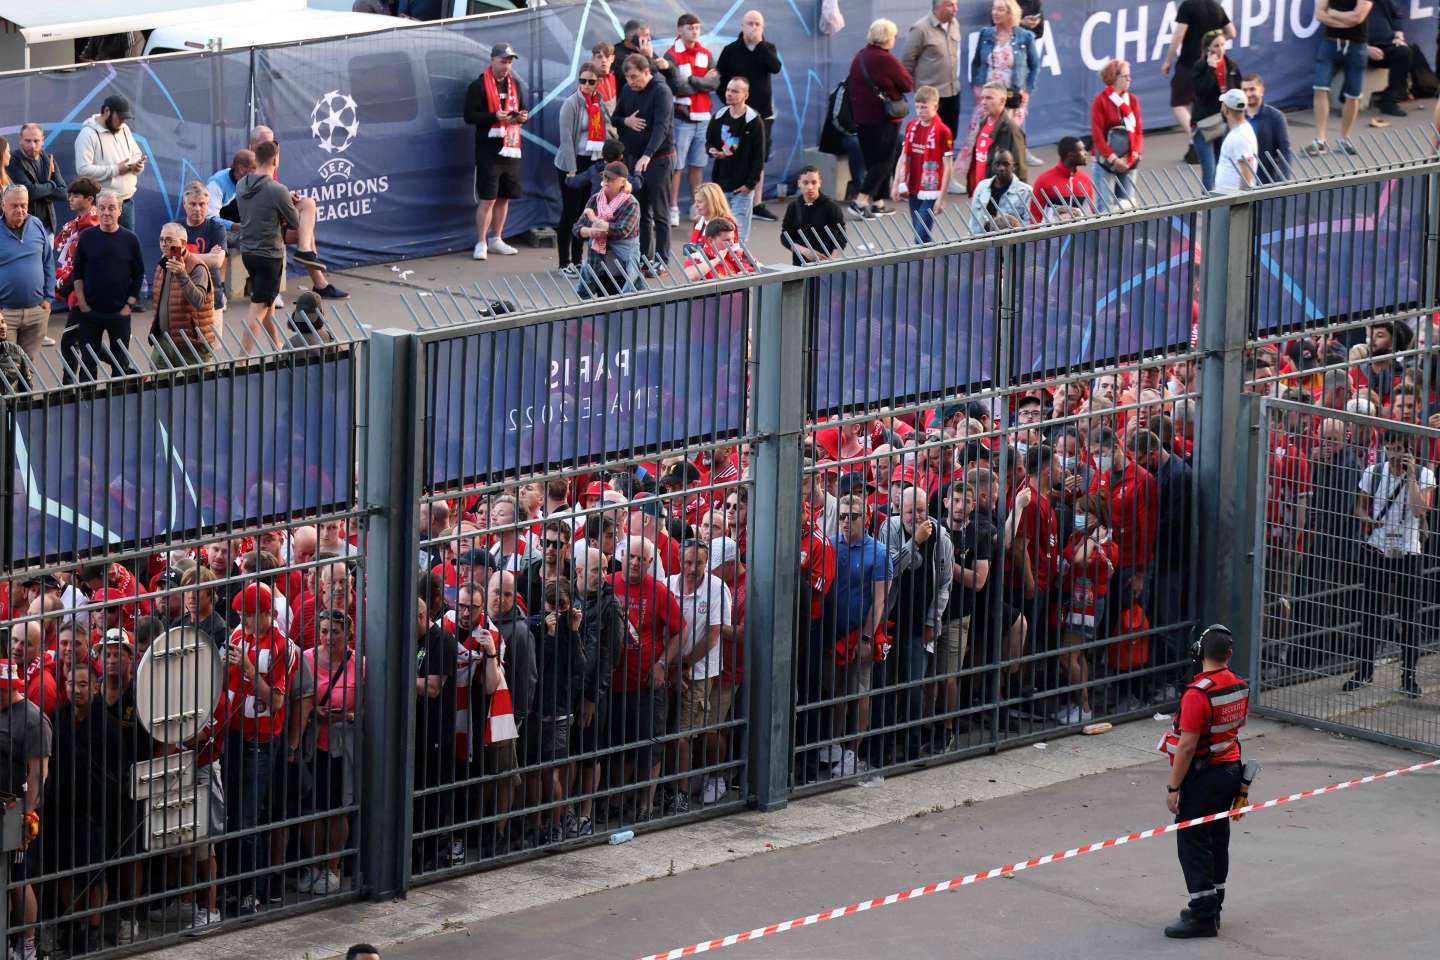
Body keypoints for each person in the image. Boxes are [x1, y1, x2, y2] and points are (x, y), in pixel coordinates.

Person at [1160, 624, 1249, 938]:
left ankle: (1201, 916)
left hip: (1204, 775)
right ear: (1229, 654)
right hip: (1231, 770)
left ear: (1199, 653)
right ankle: (1214, 907)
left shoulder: (1198, 694)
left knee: (1193, 841)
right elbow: (1239, 723)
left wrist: (1173, 787)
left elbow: (1186, 746)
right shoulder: (1238, 685)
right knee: (1216, 838)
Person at [1345, 431, 1434, 697]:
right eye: (1390, 449)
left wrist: (1410, 478)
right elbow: (1359, 508)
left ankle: (1409, 676)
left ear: (1409, 452)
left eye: (1399, 450)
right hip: (1378, 548)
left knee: (1409, 615)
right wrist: (1368, 520)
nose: (1394, 455)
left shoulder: (1424, 475)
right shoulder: (1374, 472)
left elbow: (1421, 510)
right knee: (1370, 612)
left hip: (1408, 552)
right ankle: (1364, 670)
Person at [301, 609, 363, 895]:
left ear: (347, 633)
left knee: (339, 808)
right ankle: (314, 866)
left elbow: (368, 707)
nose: (328, 637)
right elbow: (298, 699)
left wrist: (346, 717)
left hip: (344, 746)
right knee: (312, 809)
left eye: (334, 632)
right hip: (313, 744)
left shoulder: (358, 664)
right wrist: (315, 712)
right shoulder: (307, 658)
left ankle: (333, 867)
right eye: (324, 631)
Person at [0, 658, 51, 960]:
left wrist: (28, 816)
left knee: (18, 879)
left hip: (16, 809)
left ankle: (28, 944)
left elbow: (37, 774)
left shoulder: (33, 719)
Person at [232, 140, 301, 353]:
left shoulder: (241, 184)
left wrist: (283, 201)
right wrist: (289, 202)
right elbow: (295, 222)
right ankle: (241, 360)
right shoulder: (277, 189)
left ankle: (277, 345)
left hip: (248, 253)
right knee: (258, 309)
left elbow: (259, 208)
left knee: (267, 304)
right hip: (269, 256)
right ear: (275, 160)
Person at [67, 190, 144, 381]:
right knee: (88, 366)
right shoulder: (86, 238)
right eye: (102, 208)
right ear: (96, 210)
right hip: (90, 314)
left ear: (120, 210)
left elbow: (138, 274)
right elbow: (78, 275)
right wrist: (83, 305)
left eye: (111, 208)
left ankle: (119, 404)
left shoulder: (131, 239)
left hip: (120, 314)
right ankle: (87, 404)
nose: (106, 212)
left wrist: (129, 305)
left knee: (120, 366)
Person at [958, 1, 1040, 180]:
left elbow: (1034, 66)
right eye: (994, 9)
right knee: (976, 136)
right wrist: (977, 88)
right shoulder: (986, 34)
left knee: (1007, 139)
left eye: (1000, 9)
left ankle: (1009, 178)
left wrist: (1027, 91)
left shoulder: (1025, 36)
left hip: (1012, 97)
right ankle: (970, 177)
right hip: (987, 97)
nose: (995, 13)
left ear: (1010, 13)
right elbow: (977, 63)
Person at [715, 11, 783, 221]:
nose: (753, 27)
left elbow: (776, 67)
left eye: (758, 24)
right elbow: (720, 79)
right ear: (742, 26)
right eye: (750, 24)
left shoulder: (767, 48)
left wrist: (760, 44)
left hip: (762, 115)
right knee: (731, 153)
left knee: (758, 157)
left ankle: (757, 203)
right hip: (736, 114)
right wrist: (729, 103)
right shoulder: (730, 50)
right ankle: (726, 203)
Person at [464, 44, 529, 261]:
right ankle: (481, 242)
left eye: (510, 62)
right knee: (488, 199)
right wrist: (494, 116)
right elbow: (469, 116)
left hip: (510, 147)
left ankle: (497, 239)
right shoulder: (478, 85)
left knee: (504, 197)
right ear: (492, 60)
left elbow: (522, 108)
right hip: (488, 150)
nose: (506, 66)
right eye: (503, 61)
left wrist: (521, 117)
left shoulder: (515, 85)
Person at [847, 20, 914, 219]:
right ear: (887, 38)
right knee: (885, 159)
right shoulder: (886, 59)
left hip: (861, 118)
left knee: (872, 160)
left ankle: (877, 202)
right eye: (893, 35)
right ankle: (860, 200)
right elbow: (907, 84)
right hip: (883, 118)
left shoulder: (859, 57)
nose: (895, 39)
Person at [616, 54, 676, 267]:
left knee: (660, 213)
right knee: (641, 213)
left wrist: (647, 155)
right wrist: (626, 121)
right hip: (635, 159)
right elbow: (615, 117)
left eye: (635, 77)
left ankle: (662, 260)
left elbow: (662, 127)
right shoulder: (627, 90)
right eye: (628, 78)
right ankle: (644, 258)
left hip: (659, 160)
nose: (631, 82)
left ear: (647, 72)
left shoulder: (661, 91)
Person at [555, 63, 615, 272]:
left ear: (598, 82)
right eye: (583, 80)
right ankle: (564, 262)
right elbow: (566, 141)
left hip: (593, 163)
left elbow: (607, 131)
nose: (587, 85)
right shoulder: (571, 104)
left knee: (586, 212)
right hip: (571, 163)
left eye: (591, 81)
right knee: (570, 213)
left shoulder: (599, 102)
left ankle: (578, 260)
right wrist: (571, 170)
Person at [664, 13, 720, 227]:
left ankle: (697, 208)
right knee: (676, 167)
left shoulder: (706, 54)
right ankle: (673, 208)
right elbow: (677, 86)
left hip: (703, 118)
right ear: (680, 30)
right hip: (681, 120)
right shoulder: (671, 55)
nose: (694, 31)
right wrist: (701, 82)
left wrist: (694, 81)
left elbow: (714, 83)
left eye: (697, 28)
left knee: (698, 165)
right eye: (690, 28)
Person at [1160, 0, 1234, 140]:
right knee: (1203, 102)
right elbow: (1232, 32)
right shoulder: (1216, 7)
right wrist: (1214, 43)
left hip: (1189, 63)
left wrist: (1167, 61)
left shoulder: (1188, 6)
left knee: (1179, 104)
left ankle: (1196, 138)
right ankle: (1210, 136)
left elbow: (1178, 35)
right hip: (1213, 64)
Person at [706, 76, 767, 243]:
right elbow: (709, 142)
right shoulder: (719, 116)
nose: (729, 94)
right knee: (719, 236)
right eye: (728, 90)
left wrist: (749, 185)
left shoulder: (754, 121)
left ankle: (740, 268)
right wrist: (712, 150)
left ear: (745, 95)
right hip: (721, 186)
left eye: (735, 91)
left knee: (737, 237)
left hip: (742, 188)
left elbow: (759, 157)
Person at [891, 85, 954, 243]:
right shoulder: (911, 127)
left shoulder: (943, 131)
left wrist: (941, 196)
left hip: (931, 190)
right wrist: (896, 184)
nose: (920, 111)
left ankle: (928, 265)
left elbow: (948, 167)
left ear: (936, 106)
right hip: (913, 186)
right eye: (917, 107)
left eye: (924, 107)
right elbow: (903, 156)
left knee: (920, 235)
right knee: (921, 235)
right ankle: (931, 264)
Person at [149, 221, 217, 366]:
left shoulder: (197, 267)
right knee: (156, 387)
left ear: (183, 243)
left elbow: (198, 301)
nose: (164, 244)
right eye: (161, 239)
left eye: (169, 240)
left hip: (192, 344)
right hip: (164, 342)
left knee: (198, 388)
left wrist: (182, 275)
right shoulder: (162, 265)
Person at [0, 184, 55, 360]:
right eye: (14, 205)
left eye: (23, 205)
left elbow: (48, 262)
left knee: (28, 367)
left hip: (36, 313)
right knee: (8, 367)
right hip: (5, 314)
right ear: (3, 205)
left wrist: (48, 298)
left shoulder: (37, 224)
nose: (20, 210)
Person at [1311, 0, 1373, 155]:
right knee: (1320, 88)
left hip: (1356, 46)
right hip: (1330, 44)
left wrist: (1333, 14)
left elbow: (1357, 18)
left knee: (1353, 95)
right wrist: (1346, 20)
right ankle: (1320, 140)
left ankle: (1344, 139)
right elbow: (1319, 14)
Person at [73, 95, 144, 231]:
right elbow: (83, 170)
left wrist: (137, 166)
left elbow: (136, 154)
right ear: (107, 111)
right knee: (102, 248)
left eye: (125, 118)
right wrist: (116, 169)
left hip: (126, 202)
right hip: (101, 206)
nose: (123, 121)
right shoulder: (87, 135)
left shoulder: (124, 129)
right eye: (120, 117)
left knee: (126, 248)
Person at [574, 161, 643, 297]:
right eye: (605, 177)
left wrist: (595, 221)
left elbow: (622, 230)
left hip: (623, 267)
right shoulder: (595, 199)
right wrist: (590, 232)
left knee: (625, 306)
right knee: (600, 308)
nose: (606, 182)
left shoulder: (631, 203)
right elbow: (577, 228)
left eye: (611, 179)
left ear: (623, 182)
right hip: (599, 264)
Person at [1189, 29, 1242, 190]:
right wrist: (1210, 70)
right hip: (1205, 125)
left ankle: (1221, 207)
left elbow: (1238, 92)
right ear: (1208, 49)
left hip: (1225, 122)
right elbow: (1201, 93)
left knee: (1223, 168)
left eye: (1222, 44)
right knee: (1210, 171)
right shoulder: (1201, 66)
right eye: (1216, 45)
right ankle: (1208, 209)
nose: (1220, 49)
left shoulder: (1231, 66)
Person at [901, 0, 963, 137]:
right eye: (951, 5)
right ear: (938, 7)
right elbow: (907, 61)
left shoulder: (954, 24)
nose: (956, 9)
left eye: (956, 4)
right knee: (930, 138)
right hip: (931, 98)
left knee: (950, 137)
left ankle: (947, 159)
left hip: (953, 93)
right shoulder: (920, 29)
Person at [1090, 59, 1143, 212]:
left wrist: (1132, 156)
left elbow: (1138, 131)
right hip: (1106, 162)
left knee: (1127, 207)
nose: (1129, 80)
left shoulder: (1132, 100)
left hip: (1129, 161)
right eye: (1125, 76)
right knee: (1105, 211)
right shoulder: (1100, 101)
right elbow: (1097, 136)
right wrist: (1114, 159)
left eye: (1129, 76)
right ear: (1113, 78)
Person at [180, 179, 229, 333]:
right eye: (193, 204)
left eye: (202, 204)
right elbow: (169, 259)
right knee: (184, 352)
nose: (197, 208)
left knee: (210, 352)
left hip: (212, 299)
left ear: (207, 205)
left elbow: (217, 261)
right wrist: (207, 256)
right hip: (182, 301)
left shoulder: (217, 229)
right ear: (184, 205)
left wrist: (184, 255)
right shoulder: (175, 228)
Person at [963, 83, 1027, 196]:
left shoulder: (1011, 129)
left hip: (999, 196)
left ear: (1002, 101)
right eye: (982, 98)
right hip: (981, 192)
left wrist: (1018, 199)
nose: (983, 102)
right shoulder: (983, 123)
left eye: (989, 98)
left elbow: (1019, 168)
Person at [780, 164, 847, 265]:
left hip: (825, 264)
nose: (810, 187)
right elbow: (785, 237)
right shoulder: (793, 207)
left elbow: (841, 239)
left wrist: (830, 262)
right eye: (805, 183)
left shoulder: (831, 207)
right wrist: (804, 251)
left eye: (814, 182)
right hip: (800, 264)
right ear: (799, 184)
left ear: (819, 183)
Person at [7, 124, 66, 235]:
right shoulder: (13, 160)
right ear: (20, 140)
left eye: (36, 141)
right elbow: (29, 192)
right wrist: (52, 184)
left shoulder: (49, 159)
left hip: (48, 227)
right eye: (28, 141)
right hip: (23, 227)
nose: (32, 145)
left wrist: (39, 190)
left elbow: (63, 193)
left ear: (42, 140)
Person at [53, 176, 100, 308]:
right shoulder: (76, 225)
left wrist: (67, 286)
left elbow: (86, 265)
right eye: (70, 195)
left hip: (88, 288)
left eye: (76, 196)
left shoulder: (94, 227)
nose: (70, 199)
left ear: (90, 199)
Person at [1028, 137, 1096, 222]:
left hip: (1080, 234)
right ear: (1070, 155)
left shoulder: (1085, 179)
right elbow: (1035, 216)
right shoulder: (1044, 180)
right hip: (1052, 233)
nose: (1086, 153)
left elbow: (1090, 214)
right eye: (1082, 150)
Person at [1242, 75, 1293, 183]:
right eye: (1245, 90)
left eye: (1252, 89)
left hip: (1266, 181)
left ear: (1262, 90)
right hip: (1241, 183)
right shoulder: (1236, 117)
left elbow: (1285, 150)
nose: (1248, 94)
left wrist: (1282, 180)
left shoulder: (1276, 117)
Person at [968, 148, 1034, 231]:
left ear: (1013, 166)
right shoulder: (982, 187)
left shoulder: (1026, 192)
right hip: (983, 241)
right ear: (993, 167)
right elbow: (973, 221)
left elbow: (1030, 223)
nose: (1001, 168)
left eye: (1006, 164)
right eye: (997, 164)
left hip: (1011, 241)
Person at [1367, 0, 1411, 118]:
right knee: (1354, 55)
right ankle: (1347, 100)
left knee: (1404, 52)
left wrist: (1398, 37)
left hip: (1386, 45)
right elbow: (1342, 31)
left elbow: (1395, 17)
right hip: (1358, 47)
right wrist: (1365, 48)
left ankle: (1389, 100)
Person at [1214, 89, 1258, 191]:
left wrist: (1241, 201)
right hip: (1229, 196)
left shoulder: (1240, 136)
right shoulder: (1240, 131)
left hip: (1233, 199)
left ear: (1225, 109)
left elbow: (1247, 171)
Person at [206, 149, 255, 230]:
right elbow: (209, 219)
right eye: (255, 167)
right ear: (241, 169)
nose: (259, 171)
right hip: (222, 233)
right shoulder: (216, 184)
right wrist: (235, 227)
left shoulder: (252, 181)